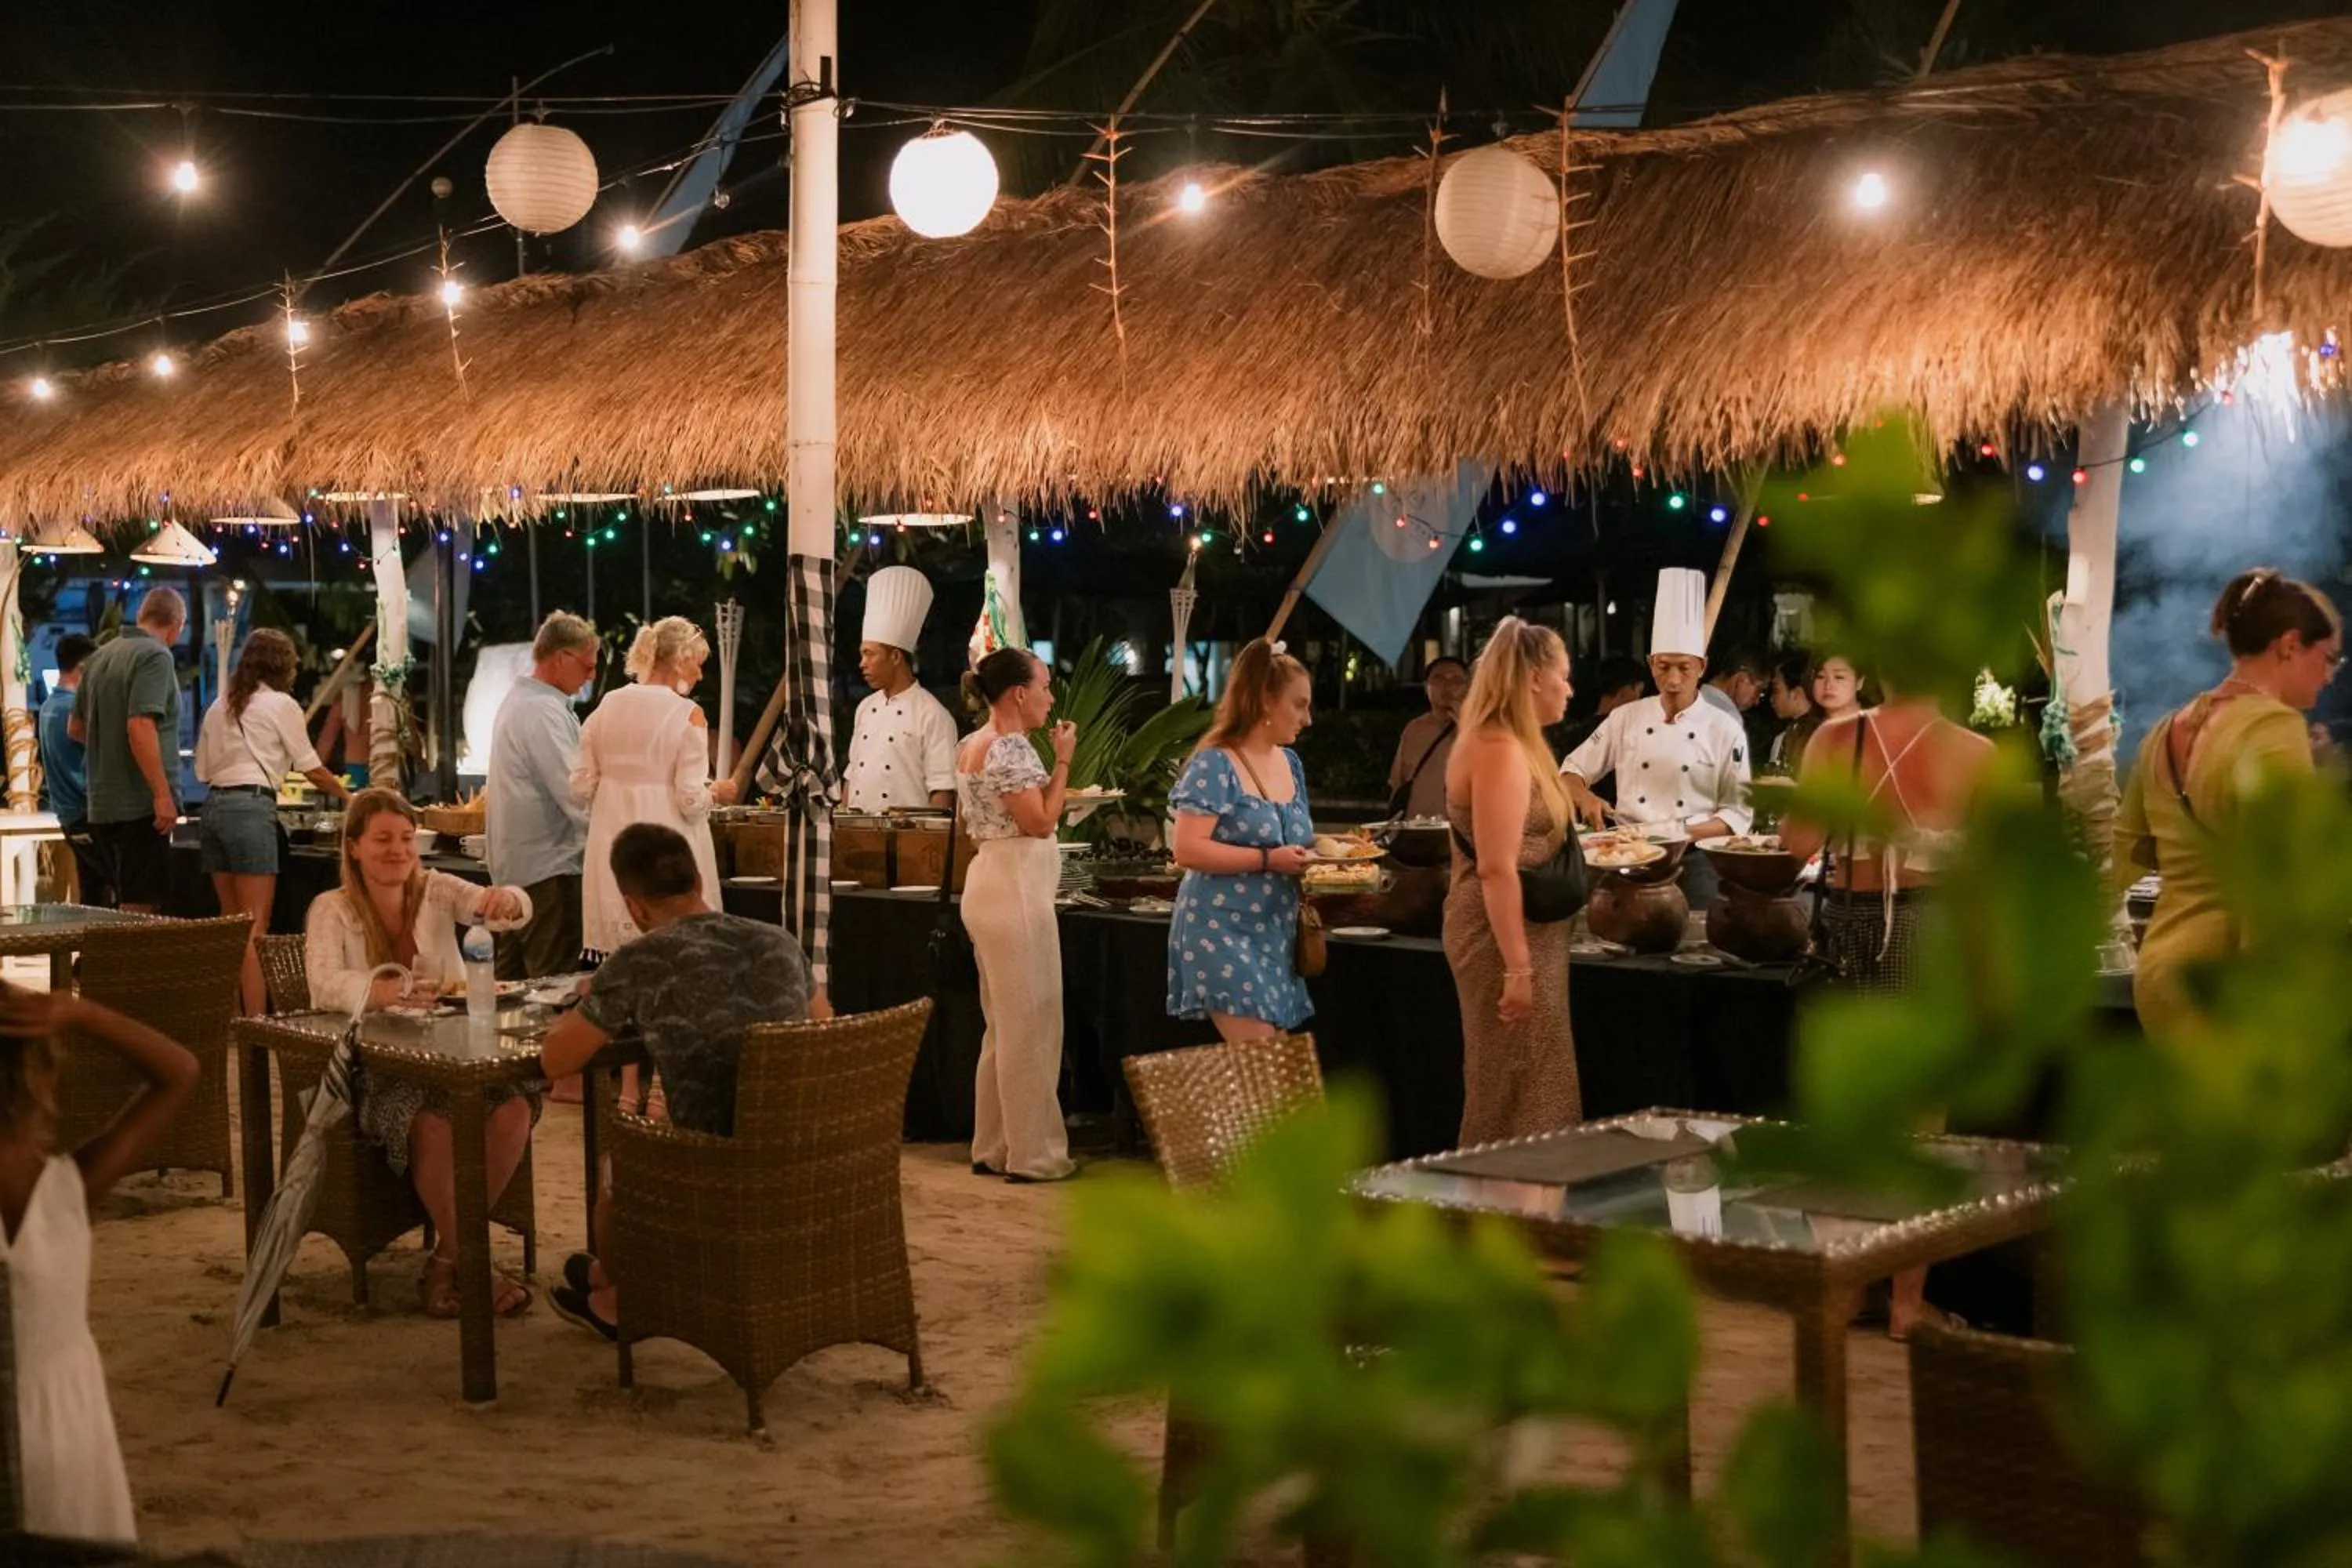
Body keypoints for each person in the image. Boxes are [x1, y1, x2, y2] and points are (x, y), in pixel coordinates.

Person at [538, 822, 820, 1340]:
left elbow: (556, 1061)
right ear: (698, 882)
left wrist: (592, 997)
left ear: (634, 906)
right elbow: (830, 1033)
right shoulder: (777, 942)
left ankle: (623, 1298)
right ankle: (605, 1276)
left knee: (619, 1159)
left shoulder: (639, 960)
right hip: (807, 1147)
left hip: (713, 1165)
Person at [1780, 678, 1996, 1340]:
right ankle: (1906, 1302)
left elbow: (1796, 843)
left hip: (1844, 927)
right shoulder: (1976, 754)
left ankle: (1844, 1290)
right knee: (1920, 1127)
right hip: (1928, 934)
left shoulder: (1835, 738)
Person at [304, 789, 539, 1319]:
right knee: (432, 1123)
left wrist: (507, 900)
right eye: (383, 839)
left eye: (407, 839)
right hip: (380, 1069)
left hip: (456, 1058)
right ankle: (477, 1267)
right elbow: (321, 985)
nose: (398, 851)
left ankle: (449, 1258)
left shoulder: (435, 890)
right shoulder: (332, 909)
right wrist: (380, 989)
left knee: (515, 1108)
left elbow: (506, 910)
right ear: (355, 847)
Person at [0, 982, 198, 1544]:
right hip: (70, 1431)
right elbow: (180, 1071)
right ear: (42, 1079)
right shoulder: (69, 1186)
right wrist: (82, 1013)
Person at [2115, 568, 2339, 1044]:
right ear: (2289, 645)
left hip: (2159, 976)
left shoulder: (2165, 729)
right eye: (2328, 658)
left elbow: (2125, 855)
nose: (2329, 676)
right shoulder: (2274, 728)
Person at [1446, 617, 1579, 1144]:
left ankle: (1526, 1213)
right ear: (1531, 678)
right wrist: (1519, 969)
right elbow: (1496, 867)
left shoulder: (1511, 742)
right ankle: (1508, 1214)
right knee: (1515, 1088)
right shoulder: (1499, 748)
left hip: (1527, 935)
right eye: (1563, 676)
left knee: (1532, 1081)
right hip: (1504, 939)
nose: (1569, 689)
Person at [1560, 568, 1753, 909]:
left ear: (1702, 666)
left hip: (1695, 863)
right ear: (1650, 665)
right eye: (1664, 667)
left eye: (1684, 668)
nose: (1674, 679)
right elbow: (1570, 771)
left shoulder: (1724, 728)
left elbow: (1737, 815)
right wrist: (1584, 795)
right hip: (1627, 856)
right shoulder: (1626, 718)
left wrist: (1676, 834)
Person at [956, 647, 1077, 1183]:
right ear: (1019, 693)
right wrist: (1066, 761)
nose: (1051, 697)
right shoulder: (1011, 749)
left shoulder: (971, 745)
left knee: (1003, 1026)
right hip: (1015, 889)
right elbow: (1042, 822)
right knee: (1032, 1024)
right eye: (1046, 686)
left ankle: (994, 1144)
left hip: (989, 879)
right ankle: (1035, 1155)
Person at [1167, 639, 1317, 1043]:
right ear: (1266, 701)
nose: (1308, 718)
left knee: (1275, 1067)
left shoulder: (1290, 763)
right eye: (1299, 704)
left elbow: (1298, 840)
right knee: (1266, 1061)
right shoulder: (1216, 762)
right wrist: (1269, 860)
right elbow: (1187, 849)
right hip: (1221, 928)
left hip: (1275, 933)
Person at [194, 628, 350, 1014]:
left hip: (212, 809)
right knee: (254, 931)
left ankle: (230, 1020)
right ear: (284, 667)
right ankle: (258, 1023)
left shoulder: (220, 705)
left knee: (229, 926)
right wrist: (353, 798)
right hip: (250, 810)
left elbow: (202, 769)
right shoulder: (281, 705)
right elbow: (311, 767)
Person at [572, 615, 740, 958]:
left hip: (612, 843)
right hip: (665, 843)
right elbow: (691, 799)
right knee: (675, 951)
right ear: (681, 659)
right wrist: (717, 793)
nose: (700, 674)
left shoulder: (607, 705)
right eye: (698, 663)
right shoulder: (687, 714)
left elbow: (580, 786)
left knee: (620, 959)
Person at [488, 612, 597, 980]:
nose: (591, 676)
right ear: (561, 658)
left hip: (517, 870)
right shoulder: (542, 711)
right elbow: (576, 793)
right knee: (550, 992)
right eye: (587, 666)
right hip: (550, 873)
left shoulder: (521, 702)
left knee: (508, 993)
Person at [71, 588, 187, 914]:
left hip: (101, 804)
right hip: (139, 805)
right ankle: (129, 968)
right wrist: (162, 795)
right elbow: (140, 726)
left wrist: (110, 750)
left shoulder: (100, 656)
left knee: (121, 902)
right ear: (176, 624)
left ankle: (110, 966)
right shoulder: (155, 656)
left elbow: (76, 729)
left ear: (141, 616)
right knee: (140, 906)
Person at [844, 566, 958, 811]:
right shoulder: (865, 708)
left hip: (907, 839)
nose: (862, 664)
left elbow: (942, 790)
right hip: (857, 834)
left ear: (895, 656)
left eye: (869, 654)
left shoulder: (932, 714)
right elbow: (852, 776)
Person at [38, 635, 111, 908]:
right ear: (83, 667)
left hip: (68, 815)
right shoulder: (73, 710)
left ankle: (91, 950)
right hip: (87, 812)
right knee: (111, 893)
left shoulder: (48, 707)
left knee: (91, 893)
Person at [1385, 656, 1467, 820]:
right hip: (1417, 826)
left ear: (1468, 687)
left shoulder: (1481, 729)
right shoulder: (1414, 729)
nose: (1448, 686)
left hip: (1459, 830)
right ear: (1426, 687)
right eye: (1439, 679)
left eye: (1456, 680)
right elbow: (1397, 782)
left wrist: (1467, 726)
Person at [1766, 650, 1817, 770]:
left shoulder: (1822, 737)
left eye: (1776, 690)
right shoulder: (1782, 738)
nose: (1772, 699)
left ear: (1796, 694)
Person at [1700, 646, 1767, 720]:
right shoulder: (1729, 717)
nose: (1756, 702)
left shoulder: (1694, 697)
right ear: (1743, 678)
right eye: (1759, 691)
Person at [1810, 653, 1869, 730]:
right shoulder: (1801, 729)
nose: (1828, 686)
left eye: (1839, 677)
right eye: (1821, 676)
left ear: (1859, 682)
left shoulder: (1875, 725)